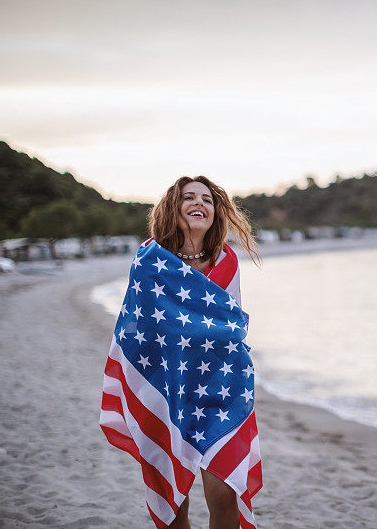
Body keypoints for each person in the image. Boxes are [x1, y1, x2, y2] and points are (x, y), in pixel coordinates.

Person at [101, 175, 262, 529]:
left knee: (225, 491)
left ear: (216, 211)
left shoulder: (227, 261)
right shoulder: (149, 262)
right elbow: (135, 331)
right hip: (168, 385)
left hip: (223, 386)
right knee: (174, 500)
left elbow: (231, 327)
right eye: (189, 197)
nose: (199, 203)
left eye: (207, 199)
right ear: (173, 209)